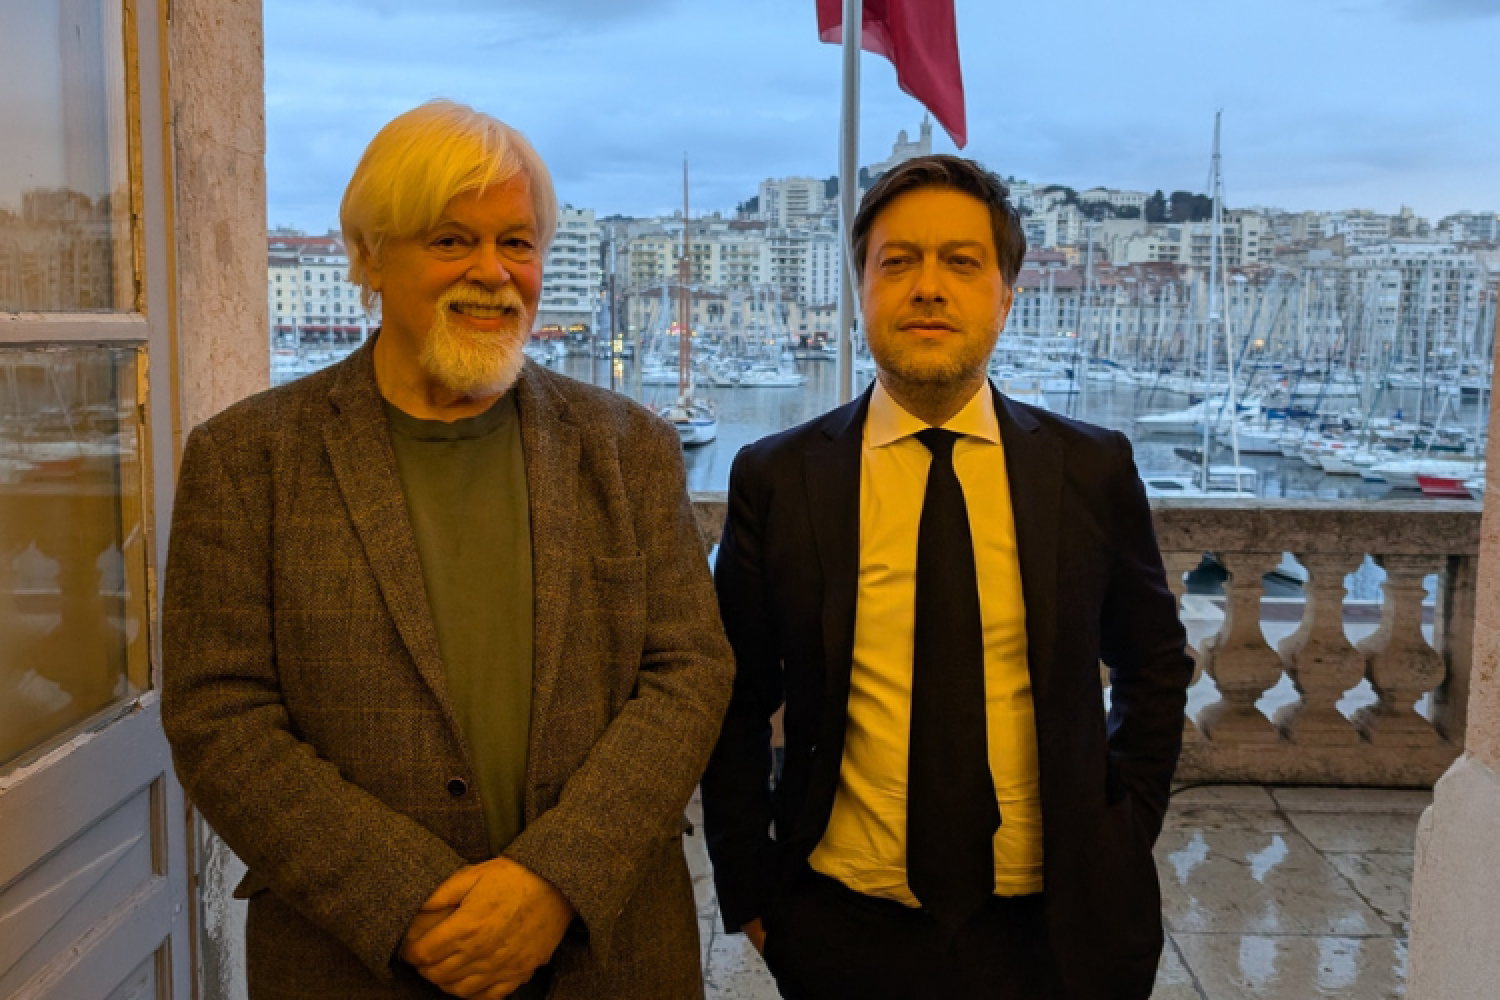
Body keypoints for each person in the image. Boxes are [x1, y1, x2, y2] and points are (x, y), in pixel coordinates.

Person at [162, 100, 734, 1000]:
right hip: (353, 960)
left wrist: (552, 883)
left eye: (517, 242)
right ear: (370, 257)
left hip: (610, 955)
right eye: (450, 241)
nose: (493, 273)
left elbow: (689, 671)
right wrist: (408, 900)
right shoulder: (247, 459)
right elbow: (218, 715)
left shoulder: (628, 447)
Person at [701, 154, 1193, 1000]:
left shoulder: (1091, 469)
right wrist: (752, 883)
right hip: (842, 923)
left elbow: (1154, 666)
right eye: (899, 261)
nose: (928, 287)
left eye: (962, 262)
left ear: (1006, 295)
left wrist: (1120, 831)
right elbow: (735, 692)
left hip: (1060, 932)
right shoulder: (779, 478)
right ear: (861, 289)